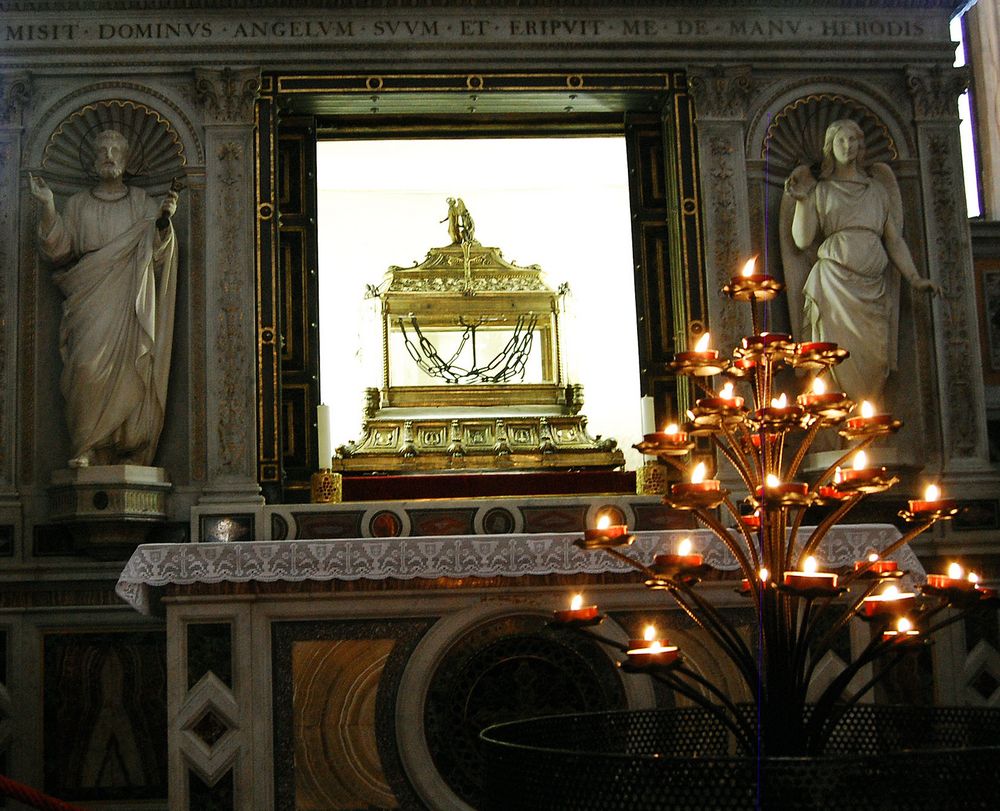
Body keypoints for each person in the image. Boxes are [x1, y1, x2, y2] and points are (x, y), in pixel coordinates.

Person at [29, 129, 180, 468]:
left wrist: (163, 222)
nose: (109, 155)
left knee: (131, 366)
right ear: (95, 161)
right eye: (103, 150)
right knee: (84, 367)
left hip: (129, 299)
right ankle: (86, 444)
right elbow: (58, 249)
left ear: (127, 160)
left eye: (116, 150)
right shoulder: (79, 203)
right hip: (89, 295)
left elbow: (158, 254)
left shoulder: (141, 201)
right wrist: (49, 206)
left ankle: (123, 445)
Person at [782, 118, 938, 405]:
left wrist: (915, 278)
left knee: (874, 357)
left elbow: (893, 240)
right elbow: (802, 241)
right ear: (831, 146)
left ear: (861, 146)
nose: (848, 146)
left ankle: (866, 425)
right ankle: (836, 430)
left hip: (872, 287)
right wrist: (802, 201)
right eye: (841, 140)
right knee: (834, 357)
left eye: (853, 140)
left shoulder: (877, 189)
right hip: (833, 284)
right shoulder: (821, 190)